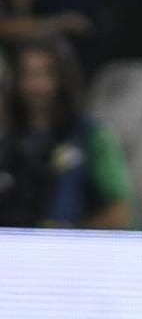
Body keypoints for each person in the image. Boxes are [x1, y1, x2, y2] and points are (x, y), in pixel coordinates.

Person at [3, 34, 132, 228]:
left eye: (43, 74)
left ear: (62, 78)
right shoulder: (8, 140)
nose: (34, 86)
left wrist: (68, 239)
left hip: (70, 252)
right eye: (27, 75)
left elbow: (119, 212)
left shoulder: (91, 136)